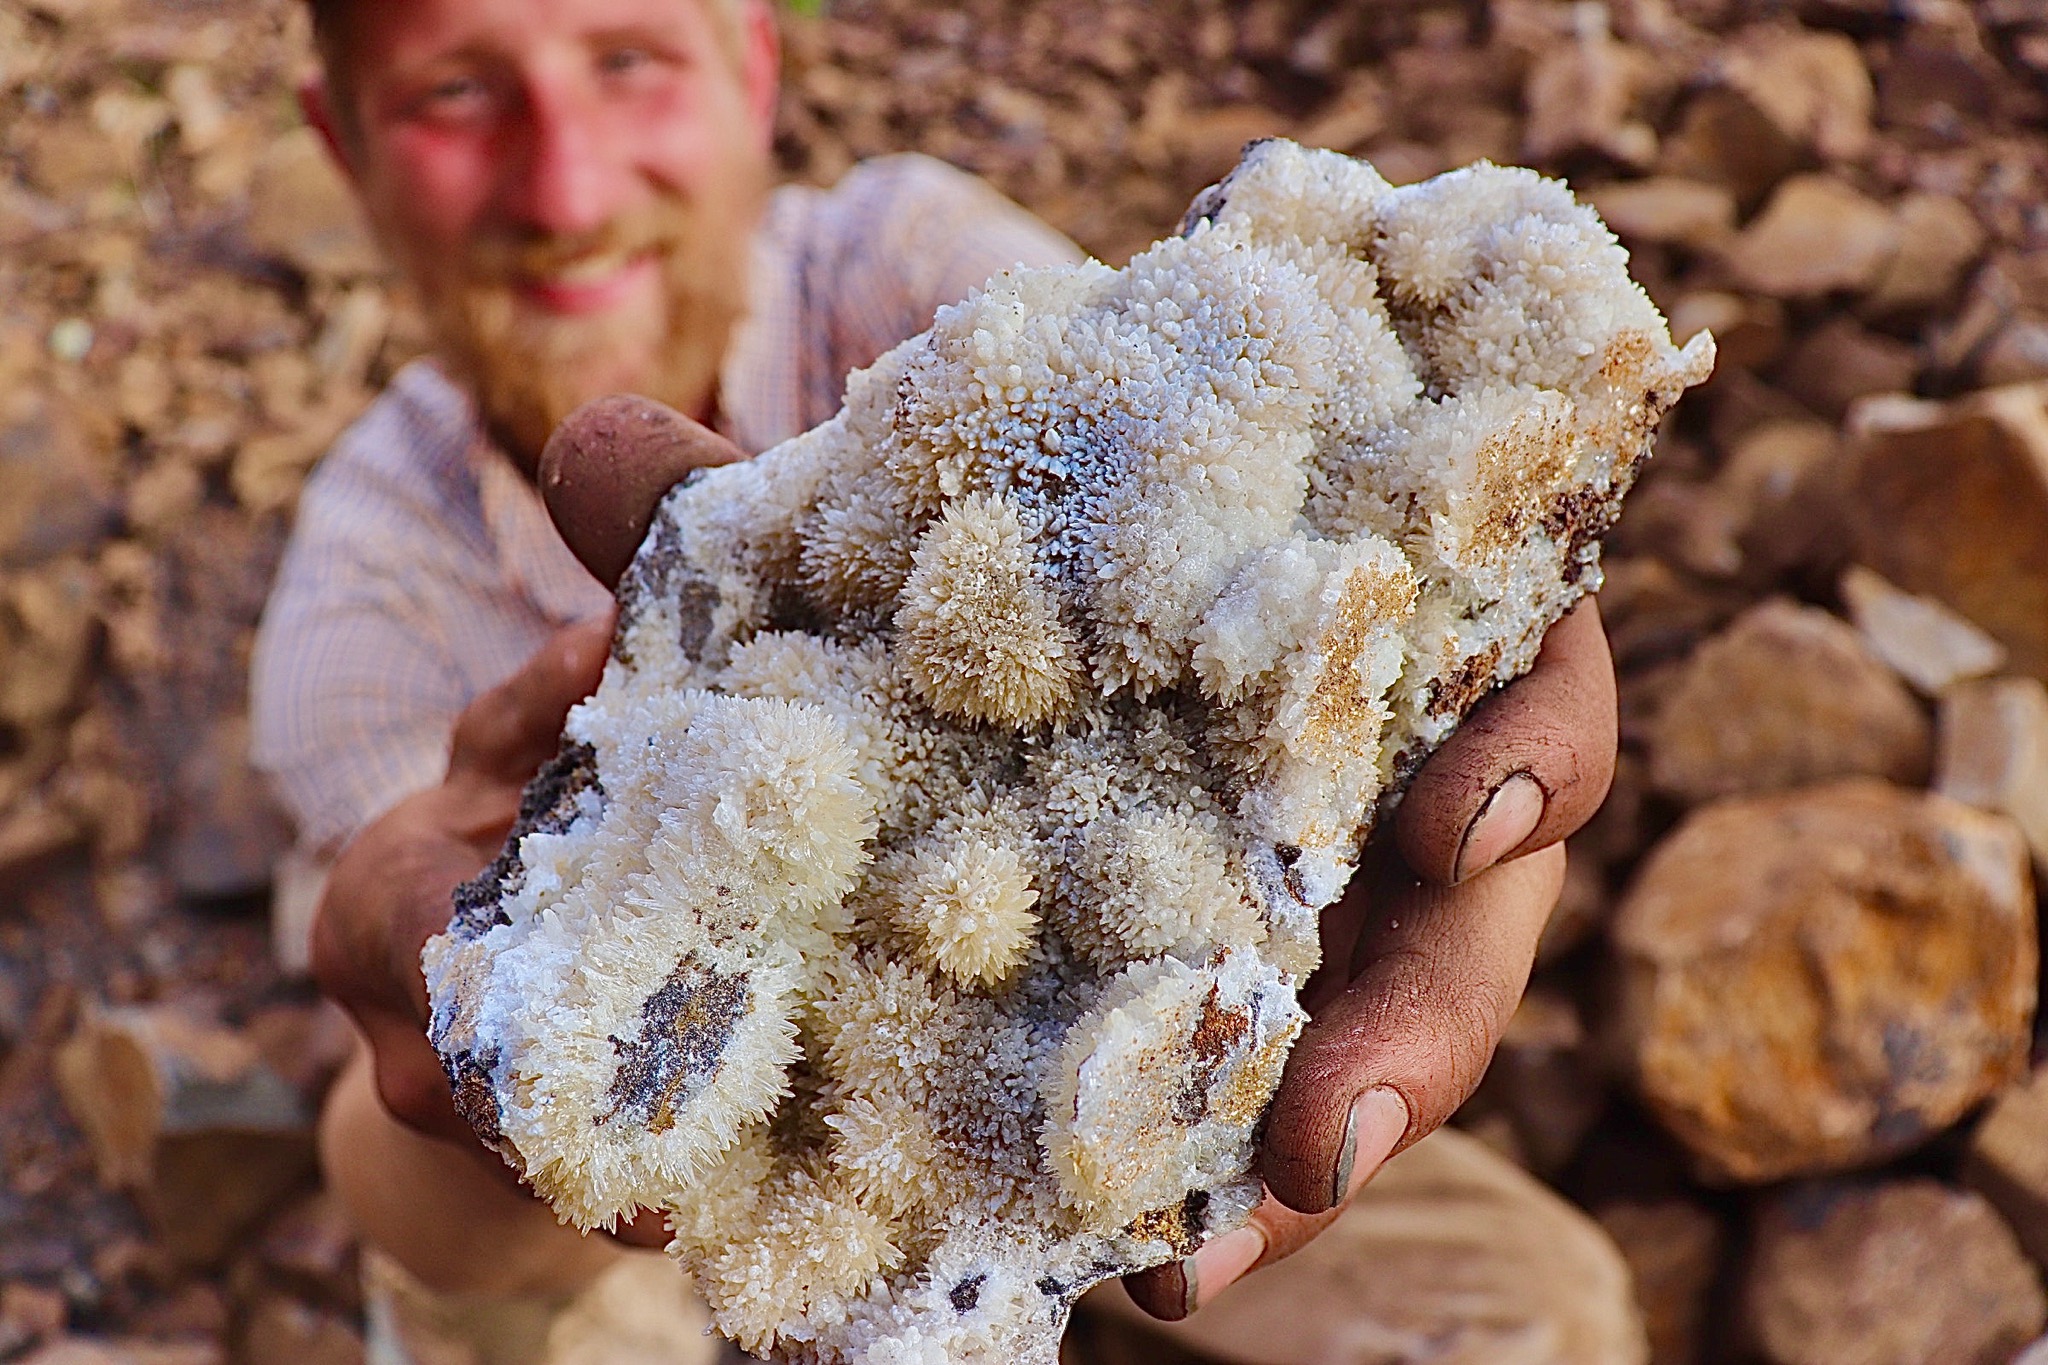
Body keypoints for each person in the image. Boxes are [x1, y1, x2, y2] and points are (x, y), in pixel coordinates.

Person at [248, 0, 1645, 1360]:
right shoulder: (357, 610)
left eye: (629, 58)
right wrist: (500, 1041)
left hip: (1121, 1096)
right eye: (453, 91)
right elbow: (435, 1041)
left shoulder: (907, 259)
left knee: (1544, 1312)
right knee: (429, 1166)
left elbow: (1161, 393)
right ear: (343, 139)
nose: (565, 183)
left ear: (754, 63)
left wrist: (1432, 685)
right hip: (653, 1204)